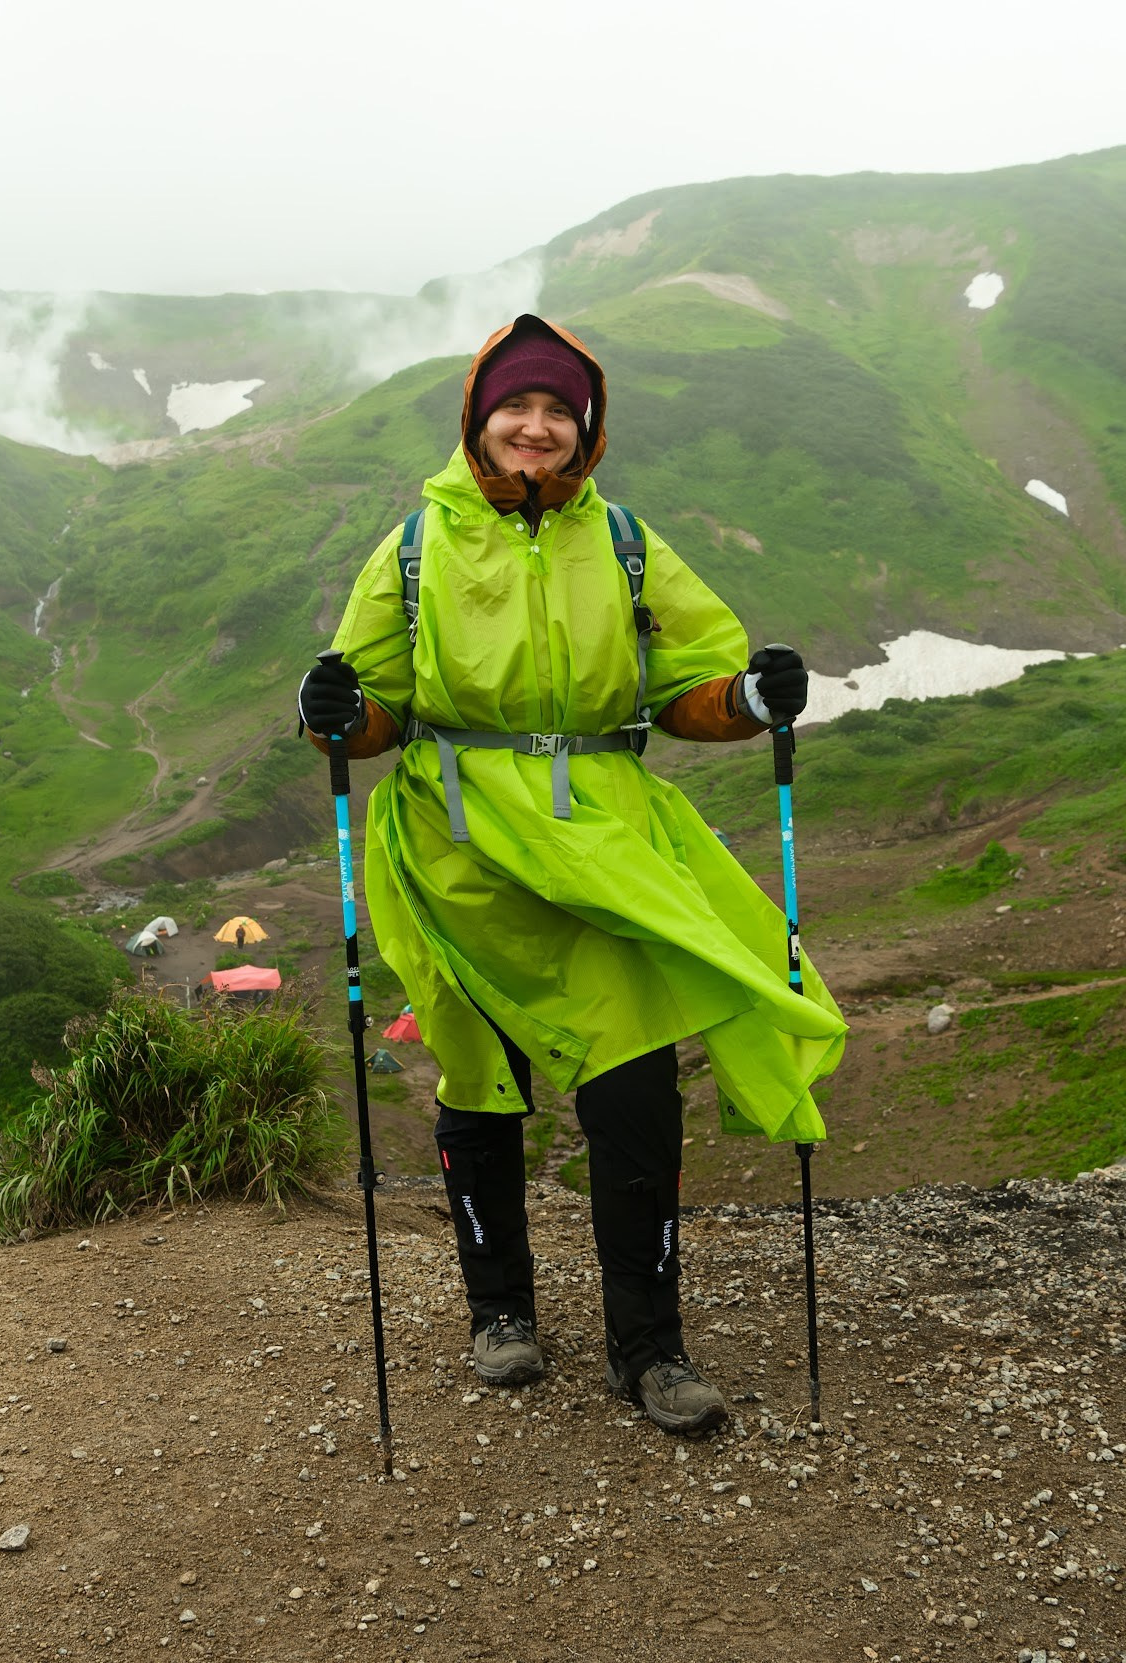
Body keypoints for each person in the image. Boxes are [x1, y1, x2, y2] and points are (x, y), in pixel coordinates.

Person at [301, 315, 845, 1437]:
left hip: (601, 846)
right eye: (517, 405)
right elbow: (372, 709)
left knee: (635, 1096)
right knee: (479, 1087)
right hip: (458, 854)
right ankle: (500, 1315)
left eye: (560, 410)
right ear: (478, 420)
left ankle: (650, 1347)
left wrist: (750, 697)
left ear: (585, 430)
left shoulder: (628, 543)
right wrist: (337, 715)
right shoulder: (415, 548)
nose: (537, 426)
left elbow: (691, 685)